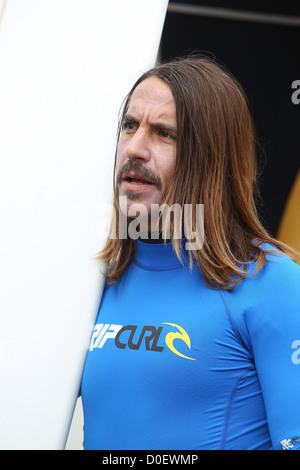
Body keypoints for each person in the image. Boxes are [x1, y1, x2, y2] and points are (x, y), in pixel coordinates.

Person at [81, 56, 300, 450]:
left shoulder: (272, 282)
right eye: (129, 126)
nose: (134, 148)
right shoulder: (94, 280)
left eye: (163, 133)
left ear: (212, 157)